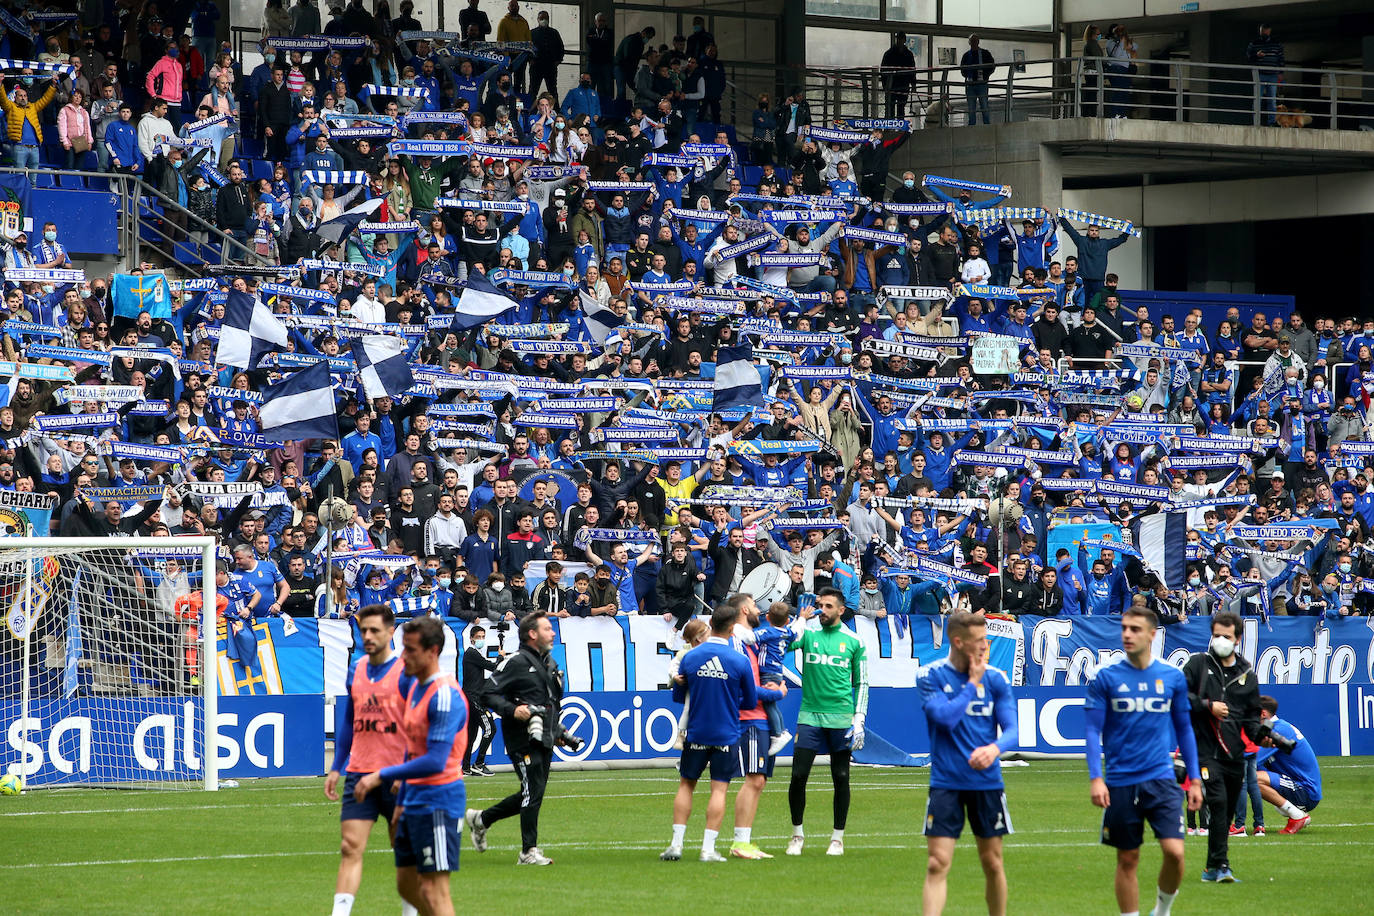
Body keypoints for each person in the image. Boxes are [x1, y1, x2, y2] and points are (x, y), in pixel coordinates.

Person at [1084, 607, 1203, 916]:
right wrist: (1096, 777)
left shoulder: (1172, 677)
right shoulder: (1105, 676)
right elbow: (1092, 729)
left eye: (1135, 629)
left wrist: (1194, 779)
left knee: (1175, 853)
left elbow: (1184, 729)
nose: (1127, 634)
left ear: (1152, 634)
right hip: (1120, 782)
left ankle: (1161, 911)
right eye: (1124, 628)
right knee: (1127, 859)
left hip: (1161, 779)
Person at [352, 616, 467, 916]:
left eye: (411, 650)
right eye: (403, 648)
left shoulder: (444, 694)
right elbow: (410, 747)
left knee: (433, 889)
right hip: (412, 799)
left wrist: (380, 775)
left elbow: (434, 760)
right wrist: (400, 802)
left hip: (439, 800)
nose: (403, 656)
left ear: (432, 651)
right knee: (406, 885)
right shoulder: (415, 688)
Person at [919, 611, 1018, 916]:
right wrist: (971, 684)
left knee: (992, 862)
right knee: (937, 863)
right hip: (946, 783)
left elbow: (1013, 732)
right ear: (958, 641)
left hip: (986, 782)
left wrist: (995, 748)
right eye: (978, 641)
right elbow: (945, 719)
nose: (984, 645)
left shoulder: (996, 679)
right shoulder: (931, 675)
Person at [465, 612, 574, 866]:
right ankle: (528, 852)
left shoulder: (549, 663)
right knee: (531, 793)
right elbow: (487, 693)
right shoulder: (514, 661)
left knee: (532, 793)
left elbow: (549, 704)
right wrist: (513, 710)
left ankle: (481, 820)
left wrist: (556, 732)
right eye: (548, 629)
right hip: (521, 738)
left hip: (544, 736)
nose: (553, 632)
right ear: (533, 634)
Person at [325, 605, 413, 916]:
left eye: (375, 630)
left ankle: (410, 911)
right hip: (359, 772)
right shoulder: (357, 668)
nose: (368, 636)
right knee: (350, 847)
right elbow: (350, 719)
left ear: (391, 633)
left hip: (395, 776)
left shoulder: (406, 673)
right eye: (364, 630)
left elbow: (417, 728)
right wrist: (337, 767)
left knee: (403, 849)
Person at [660, 597, 757, 862]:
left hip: (697, 731)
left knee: (686, 784)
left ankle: (676, 844)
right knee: (719, 789)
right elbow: (749, 701)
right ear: (731, 629)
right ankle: (707, 849)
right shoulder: (739, 661)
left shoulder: (690, 657)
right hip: (726, 731)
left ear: (710, 624)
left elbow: (679, 697)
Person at [785, 587, 868, 857]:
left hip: (841, 717)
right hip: (809, 715)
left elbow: (862, 682)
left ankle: (837, 838)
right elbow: (783, 644)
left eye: (828, 606)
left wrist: (859, 719)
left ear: (841, 610)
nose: (822, 610)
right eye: (820, 605)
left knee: (841, 777)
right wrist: (801, 619)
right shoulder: (808, 634)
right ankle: (797, 835)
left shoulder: (854, 641)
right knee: (798, 775)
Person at [1181, 611, 1262, 883]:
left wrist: (1263, 736)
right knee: (1217, 802)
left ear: (1237, 639)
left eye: (1226, 636)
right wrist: (1207, 706)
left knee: (1225, 813)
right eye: (1216, 635)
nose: (1220, 641)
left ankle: (1212, 867)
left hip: (1233, 753)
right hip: (1203, 748)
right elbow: (1179, 696)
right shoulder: (1198, 664)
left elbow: (1251, 717)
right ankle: (1222, 865)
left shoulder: (1247, 673)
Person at [1254, 695, 1321, 834]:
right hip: (1296, 784)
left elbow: (1252, 760)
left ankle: (1297, 816)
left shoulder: (1277, 730)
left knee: (1252, 778)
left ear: (1263, 714)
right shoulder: (1276, 727)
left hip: (1305, 791)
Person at [460, 624, 499, 778]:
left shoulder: (474, 654)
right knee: (491, 729)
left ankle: (465, 766)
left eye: (483, 637)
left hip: (470, 697)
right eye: (478, 637)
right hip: (473, 698)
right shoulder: (471, 653)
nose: (481, 640)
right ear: (471, 639)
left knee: (472, 733)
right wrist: (502, 658)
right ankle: (479, 764)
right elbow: (493, 667)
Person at [1245, 24, 1285, 127]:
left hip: (1272, 75)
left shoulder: (1277, 44)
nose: (1264, 33)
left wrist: (1281, 73)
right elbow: (1248, 57)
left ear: (1269, 31)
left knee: (1271, 100)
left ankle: (1271, 122)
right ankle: (1256, 122)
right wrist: (1256, 55)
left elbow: (1281, 59)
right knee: (1257, 99)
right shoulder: (1254, 43)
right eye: (1262, 31)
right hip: (1259, 74)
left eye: (1265, 31)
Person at [960, 35, 995, 126]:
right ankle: (985, 125)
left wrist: (985, 76)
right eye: (972, 41)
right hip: (975, 84)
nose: (973, 43)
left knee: (979, 106)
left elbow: (992, 66)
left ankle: (977, 125)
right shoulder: (983, 53)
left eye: (974, 41)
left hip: (976, 84)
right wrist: (985, 76)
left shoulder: (967, 55)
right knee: (979, 106)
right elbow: (962, 70)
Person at [880, 32, 916, 120]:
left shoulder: (889, 53)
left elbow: (883, 70)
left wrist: (885, 85)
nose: (900, 41)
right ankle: (896, 128)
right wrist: (913, 84)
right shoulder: (908, 54)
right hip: (900, 84)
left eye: (900, 39)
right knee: (893, 108)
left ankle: (892, 128)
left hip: (894, 84)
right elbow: (912, 70)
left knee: (894, 108)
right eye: (899, 39)